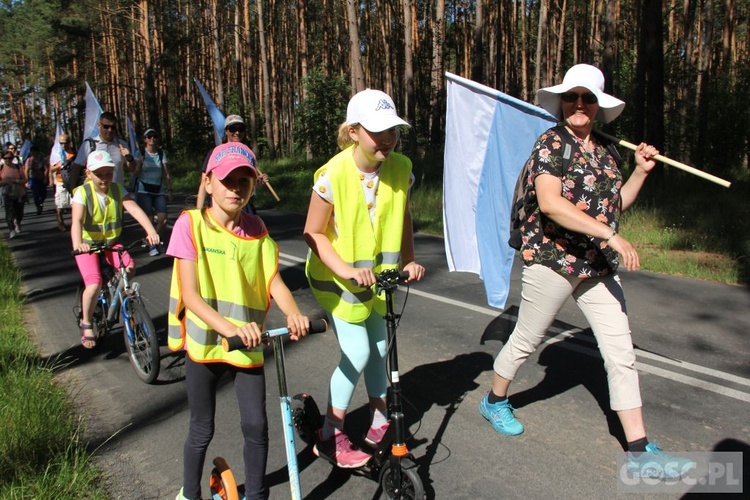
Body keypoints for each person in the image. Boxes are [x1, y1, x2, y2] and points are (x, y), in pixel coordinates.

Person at [478, 64, 694, 478]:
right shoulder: (551, 143)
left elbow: (614, 206)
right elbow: (550, 204)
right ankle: (495, 400)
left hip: (595, 265)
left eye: (588, 98)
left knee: (621, 354)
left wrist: (640, 173)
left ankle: (638, 448)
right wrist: (611, 237)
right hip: (553, 258)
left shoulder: (607, 149)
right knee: (526, 339)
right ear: (562, 102)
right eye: (572, 97)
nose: (579, 104)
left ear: (598, 107)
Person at [167, 142, 311, 500]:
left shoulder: (257, 228)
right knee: (201, 428)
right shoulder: (191, 225)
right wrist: (231, 329)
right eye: (227, 180)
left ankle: (257, 495)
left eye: (244, 181)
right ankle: (189, 494)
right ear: (209, 182)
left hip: (245, 345)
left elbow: (272, 279)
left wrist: (292, 311)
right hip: (206, 344)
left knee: (257, 426)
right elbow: (191, 296)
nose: (235, 188)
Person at [303, 89, 425, 468]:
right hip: (336, 280)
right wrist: (346, 271)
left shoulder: (401, 167)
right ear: (353, 131)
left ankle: (378, 419)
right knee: (356, 351)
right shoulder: (332, 175)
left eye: (393, 130)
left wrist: (408, 258)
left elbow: (401, 215)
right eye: (378, 131)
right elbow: (313, 232)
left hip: (377, 280)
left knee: (379, 346)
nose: (387, 138)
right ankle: (329, 432)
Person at [71, 151, 159, 349]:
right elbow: (76, 221)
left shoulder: (118, 190)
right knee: (93, 284)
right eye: (99, 174)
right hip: (88, 245)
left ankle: (119, 295)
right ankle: (86, 322)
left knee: (129, 268)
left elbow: (135, 209)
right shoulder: (82, 193)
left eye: (108, 173)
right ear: (89, 173)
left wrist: (151, 230)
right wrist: (78, 244)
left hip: (111, 243)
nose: (104, 178)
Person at [196, 115, 268, 211]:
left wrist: (258, 183)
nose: (237, 132)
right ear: (226, 131)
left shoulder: (248, 153)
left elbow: (251, 188)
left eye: (241, 129)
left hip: (243, 207)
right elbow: (203, 184)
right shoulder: (215, 152)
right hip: (220, 207)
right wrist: (198, 213)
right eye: (233, 129)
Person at [133, 128, 172, 256]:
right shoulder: (140, 153)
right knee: (148, 219)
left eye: (154, 136)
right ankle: (152, 245)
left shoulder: (161, 153)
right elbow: (135, 173)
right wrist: (140, 164)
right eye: (149, 137)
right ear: (145, 139)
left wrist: (169, 189)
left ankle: (154, 240)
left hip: (158, 189)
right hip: (144, 190)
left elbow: (166, 173)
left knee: (163, 219)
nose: (152, 139)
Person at [77, 112, 136, 189]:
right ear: (99, 125)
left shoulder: (122, 145)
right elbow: (76, 169)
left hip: (116, 193)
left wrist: (130, 158)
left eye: (113, 127)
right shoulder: (89, 144)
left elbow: (132, 169)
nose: (109, 130)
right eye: (106, 126)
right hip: (95, 194)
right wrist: (72, 192)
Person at [49, 133, 76, 231]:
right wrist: (58, 166)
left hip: (73, 181)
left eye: (65, 143)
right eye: (61, 143)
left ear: (69, 142)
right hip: (61, 181)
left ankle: (76, 222)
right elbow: (51, 169)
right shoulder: (57, 154)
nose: (63, 145)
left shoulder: (74, 153)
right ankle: (60, 221)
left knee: (75, 203)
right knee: (61, 204)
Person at [1, 149, 27, 238]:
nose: (8, 160)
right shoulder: (1, 168)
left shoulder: (17, 167)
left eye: (10, 158)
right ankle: (11, 229)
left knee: (19, 212)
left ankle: (18, 222)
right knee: (9, 211)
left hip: (19, 193)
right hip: (7, 193)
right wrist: (6, 183)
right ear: (3, 158)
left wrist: (17, 181)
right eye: (6, 158)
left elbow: (25, 179)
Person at [24, 147, 48, 215]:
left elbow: (46, 168)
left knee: (43, 193)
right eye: (32, 152)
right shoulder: (29, 160)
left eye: (34, 151)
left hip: (41, 177)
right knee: (35, 193)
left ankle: (41, 202)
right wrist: (26, 180)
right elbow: (26, 170)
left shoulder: (42, 159)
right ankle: (38, 206)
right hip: (33, 178)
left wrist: (46, 178)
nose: (33, 153)